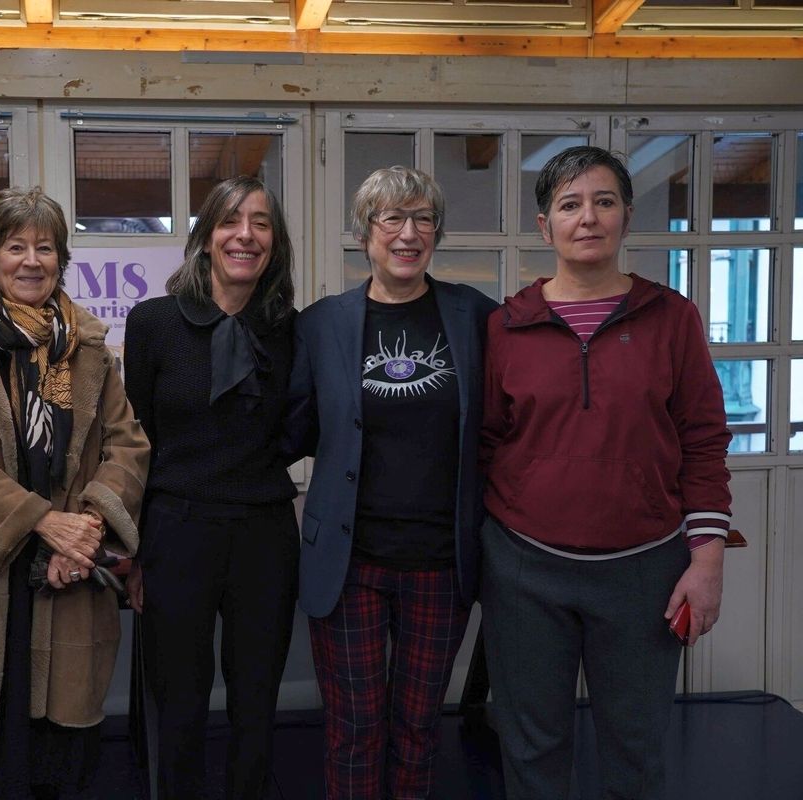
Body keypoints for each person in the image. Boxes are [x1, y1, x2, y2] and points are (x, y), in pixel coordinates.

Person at [479, 145, 732, 800]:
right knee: (532, 749)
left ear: (624, 216)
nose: (586, 217)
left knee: (636, 749)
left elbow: (703, 440)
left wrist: (706, 562)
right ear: (545, 227)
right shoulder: (505, 328)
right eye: (569, 205)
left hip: (645, 573)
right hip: (524, 571)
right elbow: (482, 444)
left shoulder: (672, 319)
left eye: (603, 201)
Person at [0, 186, 150, 800]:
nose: (31, 260)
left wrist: (87, 531)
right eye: (14, 246)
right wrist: (44, 523)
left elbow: (128, 447)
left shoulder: (91, 352)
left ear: (62, 258)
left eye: (45, 247)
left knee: (60, 757)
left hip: (70, 576)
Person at [284, 166, 496, 799]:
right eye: (391, 220)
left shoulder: (475, 317)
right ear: (364, 234)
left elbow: (511, 422)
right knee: (354, 727)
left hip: (440, 560)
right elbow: (289, 427)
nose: (408, 233)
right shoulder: (321, 325)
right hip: (349, 562)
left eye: (422, 219)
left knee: (418, 727)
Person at [123, 175, 299, 800]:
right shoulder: (152, 324)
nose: (244, 235)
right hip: (176, 530)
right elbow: (133, 442)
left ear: (275, 244)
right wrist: (134, 552)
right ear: (204, 240)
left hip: (264, 534)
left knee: (255, 705)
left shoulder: (290, 329)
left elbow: (299, 428)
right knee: (179, 704)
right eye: (230, 221)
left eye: (260, 223)